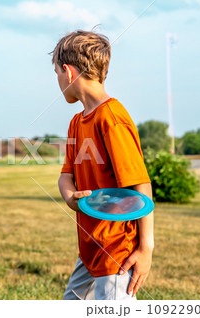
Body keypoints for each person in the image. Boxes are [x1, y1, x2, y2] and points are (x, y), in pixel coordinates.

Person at [52, 30, 154, 300]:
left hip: (116, 252)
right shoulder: (77, 123)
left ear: (68, 72)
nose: (58, 82)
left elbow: (140, 185)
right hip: (89, 250)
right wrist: (71, 197)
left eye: (57, 75)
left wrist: (146, 249)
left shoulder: (112, 119)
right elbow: (66, 175)